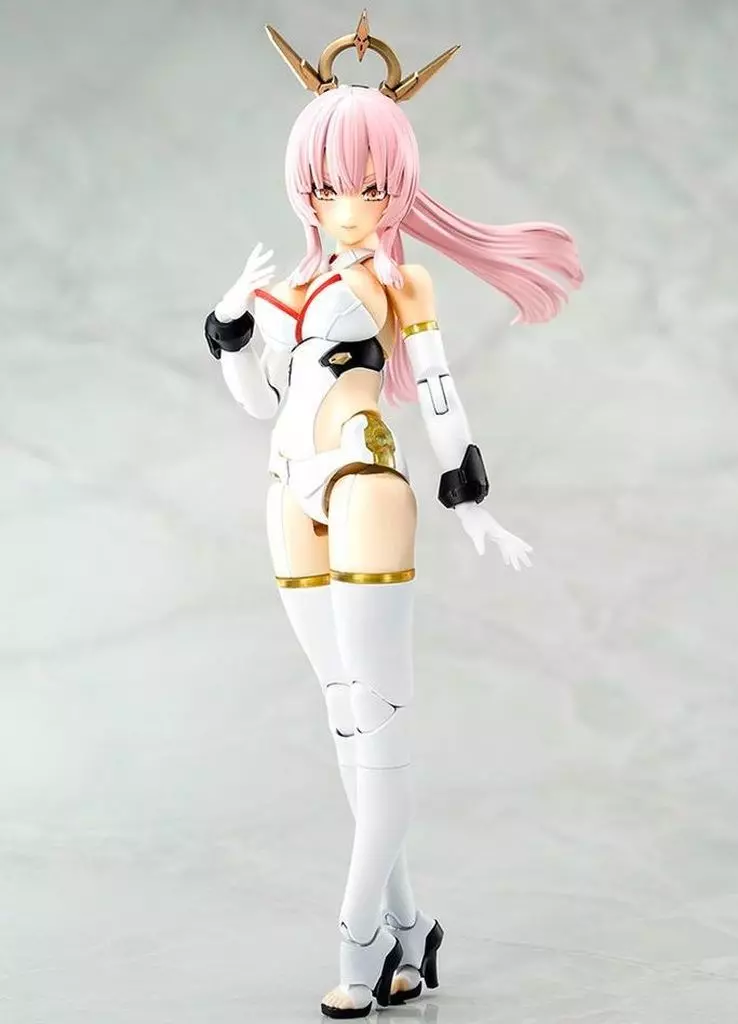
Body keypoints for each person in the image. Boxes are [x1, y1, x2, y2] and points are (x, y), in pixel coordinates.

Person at [203, 11, 583, 1018]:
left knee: (382, 730)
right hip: (287, 491)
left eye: (371, 187)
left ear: (398, 187)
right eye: (330, 186)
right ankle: (415, 929)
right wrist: (231, 327)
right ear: (305, 187)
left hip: (366, 481)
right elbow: (259, 402)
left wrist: (473, 506)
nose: (350, 206)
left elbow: (443, 394)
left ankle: (359, 938)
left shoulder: (400, 279)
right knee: (347, 724)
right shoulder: (289, 286)